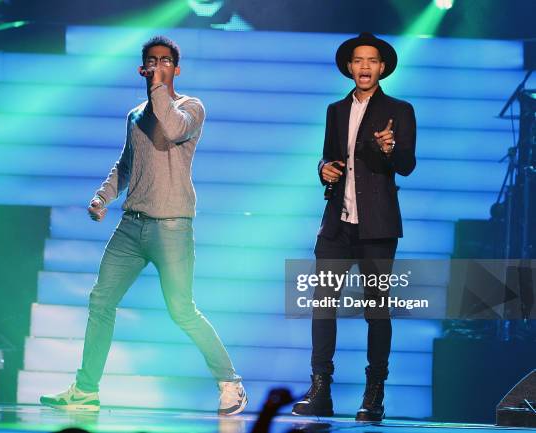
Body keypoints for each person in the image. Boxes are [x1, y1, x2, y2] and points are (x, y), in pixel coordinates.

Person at [40, 35, 247, 416]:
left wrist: (158, 91)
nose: (158, 66)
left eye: (165, 61)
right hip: (131, 227)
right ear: (141, 67)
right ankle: (86, 390)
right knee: (101, 301)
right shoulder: (135, 115)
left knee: (182, 310)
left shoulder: (191, 108)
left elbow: (170, 129)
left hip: (172, 228)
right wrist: (102, 198)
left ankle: (230, 383)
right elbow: (125, 165)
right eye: (151, 60)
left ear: (176, 69)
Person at [291, 32, 416, 421]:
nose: (364, 67)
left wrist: (390, 149)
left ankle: (374, 393)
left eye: (372, 61)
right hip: (337, 226)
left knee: (377, 311)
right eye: (358, 60)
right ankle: (320, 389)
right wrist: (323, 171)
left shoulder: (399, 109)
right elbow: (330, 160)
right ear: (349, 67)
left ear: (382, 67)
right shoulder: (335, 110)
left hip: (377, 227)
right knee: (322, 306)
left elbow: (407, 165)